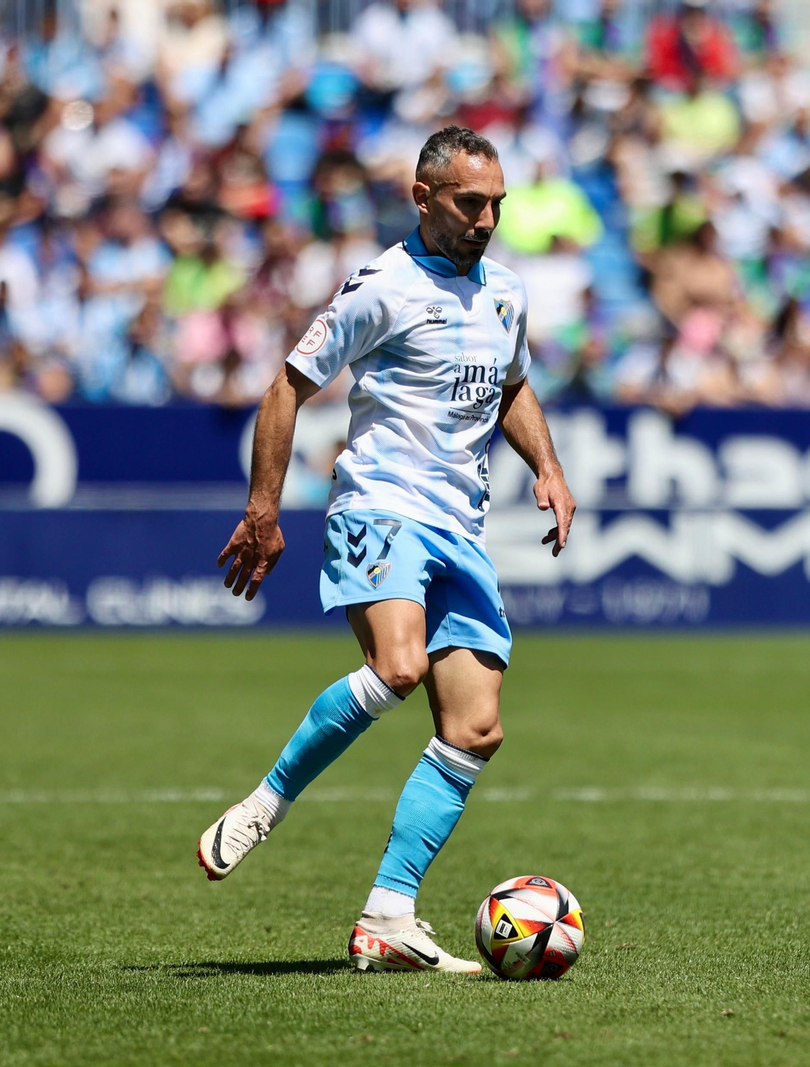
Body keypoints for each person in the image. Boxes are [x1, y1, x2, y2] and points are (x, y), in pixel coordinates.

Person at [196, 126, 576, 974]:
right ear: (423, 196)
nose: (487, 220)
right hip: (381, 504)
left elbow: (511, 385)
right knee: (399, 668)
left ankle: (388, 913)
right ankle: (268, 799)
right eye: (470, 203)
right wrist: (264, 506)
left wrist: (547, 465)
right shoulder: (381, 287)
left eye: (497, 205)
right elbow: (287, 386)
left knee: (475, 727)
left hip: (460, 528)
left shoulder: (506, 292)